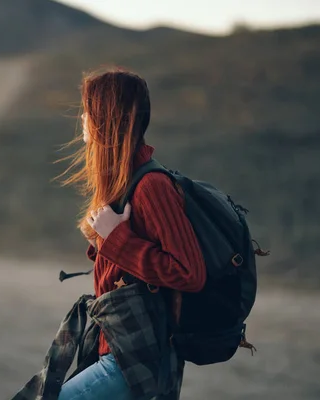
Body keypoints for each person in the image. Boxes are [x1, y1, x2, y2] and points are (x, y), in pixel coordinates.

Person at [57, 67, 207, 400]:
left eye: (88, 109)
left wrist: (118, 240)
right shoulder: (124, 184)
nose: (82, 117)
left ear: (105, 118)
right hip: (119, 350)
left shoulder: (152, 186)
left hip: (133, 362)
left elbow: (190, 272)